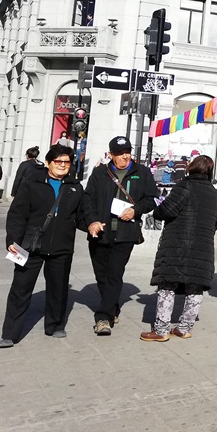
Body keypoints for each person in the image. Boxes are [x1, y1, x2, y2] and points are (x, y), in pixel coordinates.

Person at [0, 145, 94, 346]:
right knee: (21, 288)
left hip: (62, 247)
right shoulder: (32, 183)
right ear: (49, 162)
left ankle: (55, 325)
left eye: (66, 162)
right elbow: (17, 214)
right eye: (58, 161)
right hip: (30, 245)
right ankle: (10, 333)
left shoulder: (75, 186)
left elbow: (81, 216)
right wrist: (12, 240)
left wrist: (92, 225)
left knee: (58, 288)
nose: (62, 165)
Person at [82, 135, 159, 336]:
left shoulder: (141, 172)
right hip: (101, 232)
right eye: (119, 153)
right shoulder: (100, 173)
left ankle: (103, 318)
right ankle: (112, 306)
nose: (125, 156)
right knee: (102, 275)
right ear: (111, 155)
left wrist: (136, 210)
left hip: (125, 233)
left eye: (127, 152)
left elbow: (152, 199)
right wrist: (91, 221)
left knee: (114, 274)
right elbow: (87, 199)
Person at [141, 155, 217, 341]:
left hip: (177, 244)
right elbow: (214, 223)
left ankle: (161, 330)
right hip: (202, 248)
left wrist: (157, 210)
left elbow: (165, 210)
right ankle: (184, 328)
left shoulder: (184, 186)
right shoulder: (213, 194)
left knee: (167, 285)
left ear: (191, 168)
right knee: (195, 287)